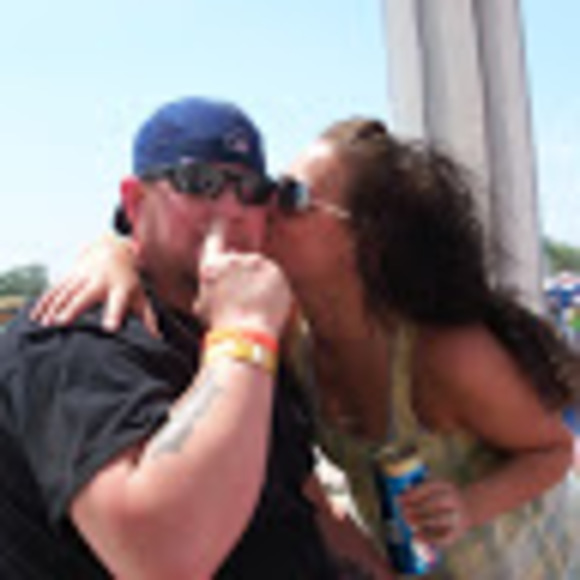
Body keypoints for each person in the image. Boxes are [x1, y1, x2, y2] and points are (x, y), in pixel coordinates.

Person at [35, 118, 580, 579]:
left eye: (288, 197)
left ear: (367, 240)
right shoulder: (287, 334)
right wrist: (113, 253)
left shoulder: (446, 356)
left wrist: (468, 505)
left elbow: (554, 450)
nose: (259, 209)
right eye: (268, 191)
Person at [0, 96, 352, 579]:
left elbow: (305, 501)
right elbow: (161, 561)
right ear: (135, 202)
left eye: (252, 190)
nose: (231, 208)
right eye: (199, 182)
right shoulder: (78, 331)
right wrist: (244, 331)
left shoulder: (239, 335)